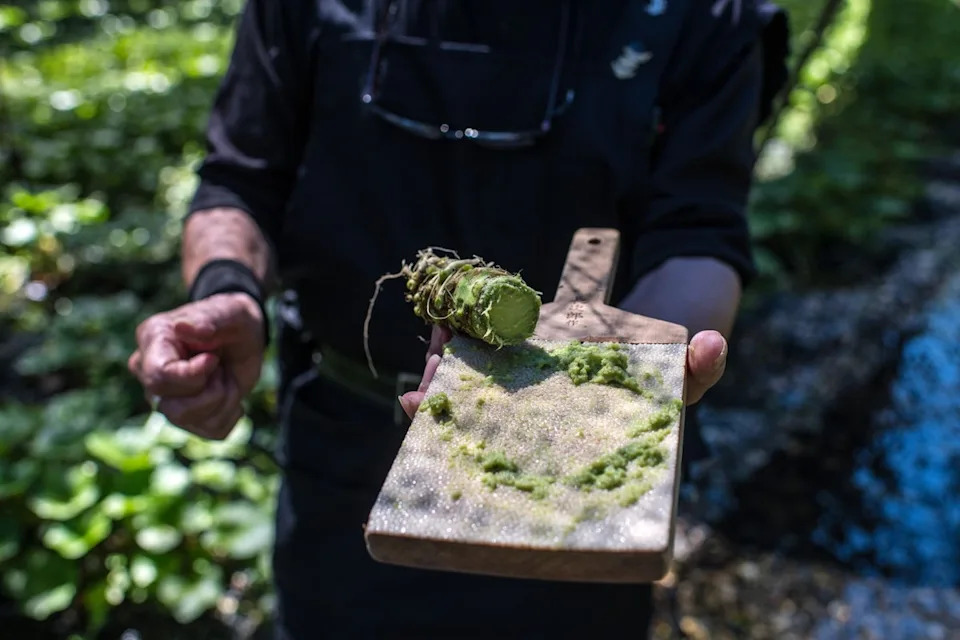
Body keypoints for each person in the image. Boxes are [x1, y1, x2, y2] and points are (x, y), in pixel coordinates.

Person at [128, 1, 788, 637]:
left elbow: (699, 231)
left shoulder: (703, 13)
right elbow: (239, 178)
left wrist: (642, 358)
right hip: (345, 465)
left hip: (579, 460)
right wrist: (228, 288)